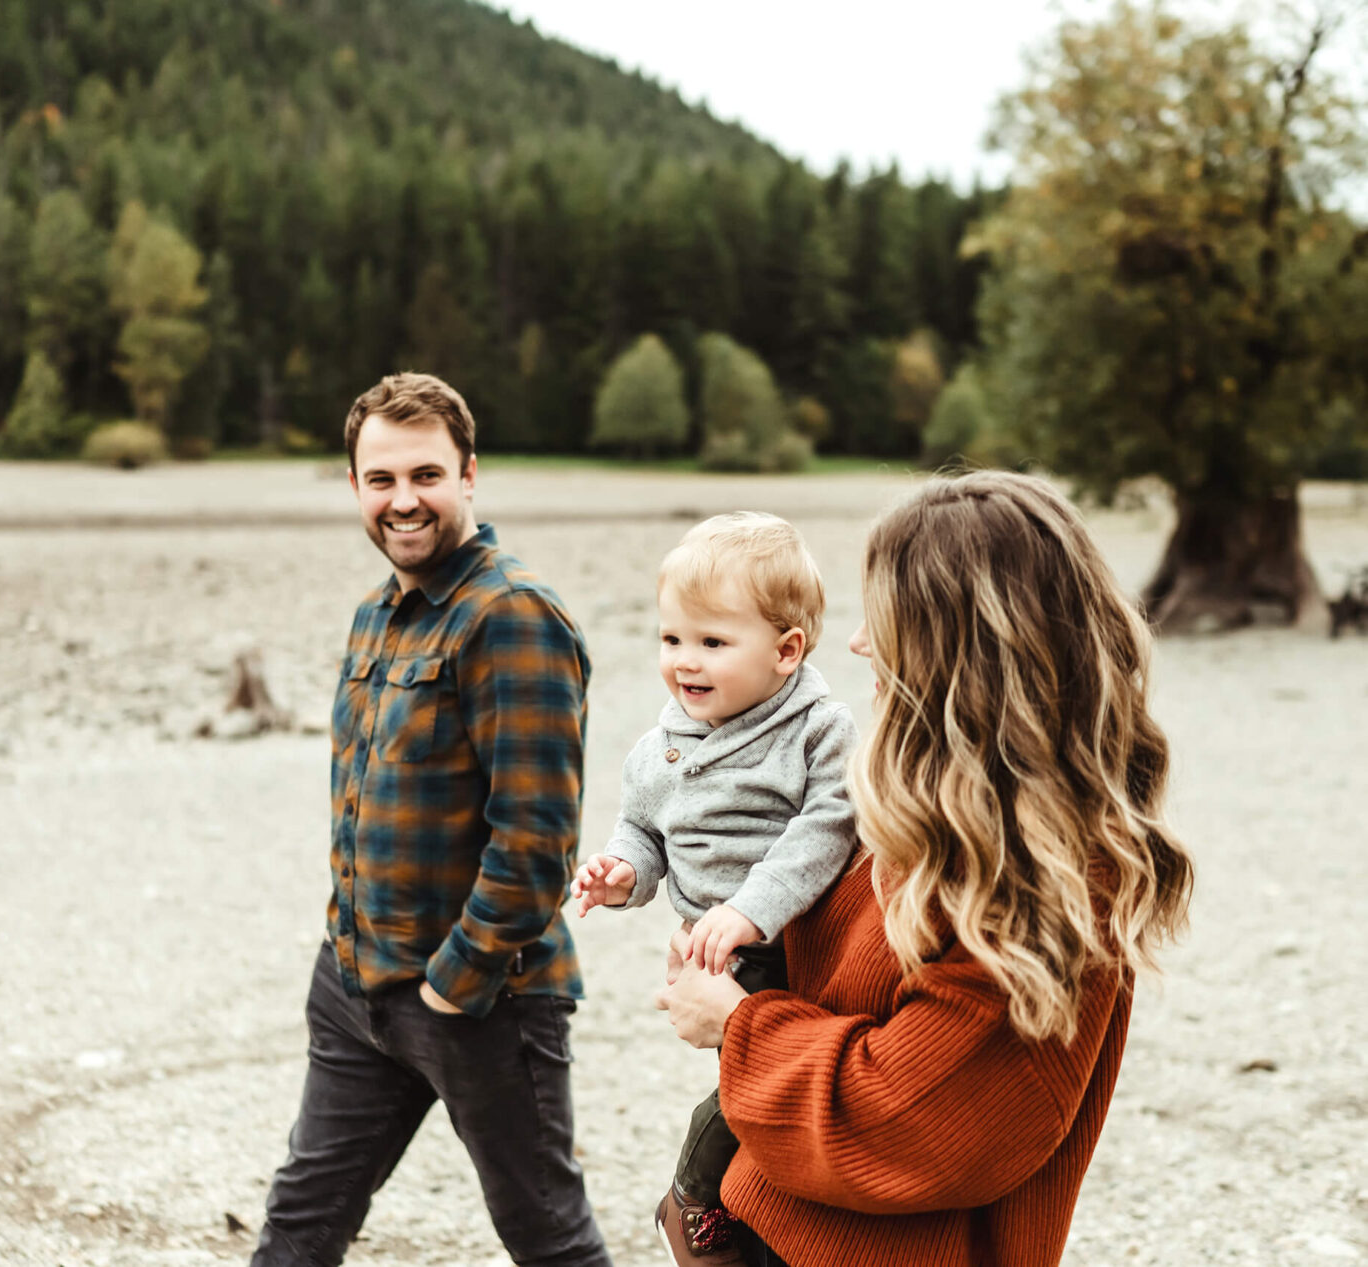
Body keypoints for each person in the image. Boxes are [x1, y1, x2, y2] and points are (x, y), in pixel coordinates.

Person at [654, 469, 1194, 1266]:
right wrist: (737, 938)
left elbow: (909, 1119)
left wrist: (736, 1024)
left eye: (888, 618)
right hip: (780, 1216)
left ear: (960, 645)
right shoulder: (925, 796)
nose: (859, 642)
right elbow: (853, 978)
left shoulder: (1049, 874)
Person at [251, 372, 611, 1267]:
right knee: (301, 1221)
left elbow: (535, 840)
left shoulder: (511, 615)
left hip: (481, 1002)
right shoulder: (378, 613)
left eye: (425, 474)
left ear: (469, 476)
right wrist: (346, 952)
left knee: (549, 1238)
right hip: (356, 987)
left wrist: (453, 984)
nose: (403, 500)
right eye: (382, 480)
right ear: (355, 488)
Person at [567, 513, 857, 1263]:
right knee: (758, 1089)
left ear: (787, 650)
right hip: (718, 954)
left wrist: (746, 910)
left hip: (797, 941)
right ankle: (726, 1205)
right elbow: (644, 831)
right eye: (672, 639)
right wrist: (621, 873)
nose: (684, 662)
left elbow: (826, 826)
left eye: (713, 643)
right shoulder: (660, 745)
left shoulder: (817, 730)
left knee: (763, 1090)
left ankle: (692, 1194)